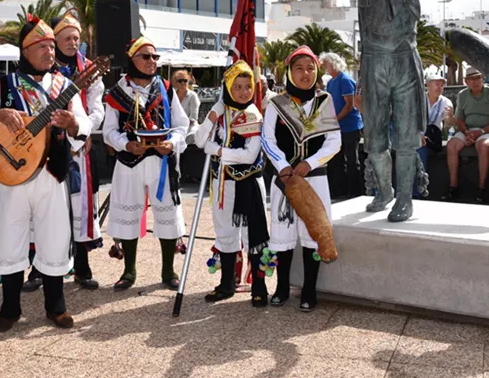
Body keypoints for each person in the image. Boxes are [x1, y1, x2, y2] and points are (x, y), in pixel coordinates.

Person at [357, 0, 482, 221]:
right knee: (376, 139)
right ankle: (383, 190)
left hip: (406, 63)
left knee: (408, 137)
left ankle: (404, 199)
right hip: (376, 63)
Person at [0, 17, 91, 332]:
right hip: (10, 173)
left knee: (54, 237)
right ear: (25, 50)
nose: (49, 51)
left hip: (52, 173)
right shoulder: (1, 85)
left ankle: (56, 305)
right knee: (10, 238)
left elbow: (85, 124)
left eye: (52, 46)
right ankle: (10, 307)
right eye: (41, 46)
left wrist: (73, 124)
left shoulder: (64, 86)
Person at [102, 36, 188, 291]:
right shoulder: (117, 92)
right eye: (146, 56)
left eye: (155, 57)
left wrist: (171, 143)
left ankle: (168, 270)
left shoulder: (165, 88)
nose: (152, 61)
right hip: (130, 163)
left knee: (168, 213)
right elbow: (108, 132)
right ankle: (129, 271)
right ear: (132, 59)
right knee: (128, 213)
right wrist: (126, 144)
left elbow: (182, 125)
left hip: (162, 163)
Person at [261, 46, 341, 312]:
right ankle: (282, 287)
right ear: (289, 72)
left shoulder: (324, 101)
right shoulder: (277, 103)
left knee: (313, 232)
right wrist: (283, 168)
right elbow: (267, 139)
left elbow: (334, 141)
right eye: (299, 68)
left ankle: (309, 290)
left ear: (316, 71)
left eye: (310, 68)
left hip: (315, 178)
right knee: (283, 233)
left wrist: (309, 163)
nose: (305, 73)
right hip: (285, 180)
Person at [194, 60, 269, 306]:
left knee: (252, 236)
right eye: (237, 86)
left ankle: (259, 286)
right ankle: (227, 284)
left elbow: (249, 155)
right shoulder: (221, 112)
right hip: (224, 184)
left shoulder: (253, 114)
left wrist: (216, 150)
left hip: (248, 185)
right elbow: (198, 140)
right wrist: (213, 113)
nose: (244, 91)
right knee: (225, 233)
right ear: (227, 87)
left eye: (247, 86)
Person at [51, 13, 105, 290]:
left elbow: (97, 108)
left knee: (80, 206)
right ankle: (41, 269)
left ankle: (82, 267)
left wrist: (83, 131)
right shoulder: (44, 66)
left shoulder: (90, 69)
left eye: (76, 38)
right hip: (46, 143)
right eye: (67, 38)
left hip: (79, 144)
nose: (73, 43)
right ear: (55, 40)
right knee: (47, 205)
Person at [444, 69, 489, 203]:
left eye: (478, 78)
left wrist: (480, 132)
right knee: (451, 145)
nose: (475, 81)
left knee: (483, 146)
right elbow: (459, 118)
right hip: (467, 130)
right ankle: (453, 186)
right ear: (466, 81)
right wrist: (466, 132)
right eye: (471, 79)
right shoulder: (462, 94)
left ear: (483, 79)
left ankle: (482, 189)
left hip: (487, 130)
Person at [321, 53, 364, 199]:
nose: (324, 66)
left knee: (352, 160)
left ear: (334, 64)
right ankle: (339, 190)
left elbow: (350, 105)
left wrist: (335, 119)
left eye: (326, 63)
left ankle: (355, 192)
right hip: (337, 127)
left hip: (350, 126)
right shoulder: (331, 82)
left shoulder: (345, 80)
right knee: (336, 160)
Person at [418, 70, 453, 190]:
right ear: (428, 85)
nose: (440, 87)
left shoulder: (446, 102)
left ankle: (419, 191)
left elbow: (448, 124)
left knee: (421, 152)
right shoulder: (419, 100)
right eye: (437, 84)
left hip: (432, 139)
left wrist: (450, 117)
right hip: (416, 136)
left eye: (442, 84)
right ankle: (413, 192)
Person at [173, 69, 201, 142]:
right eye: (180, 81)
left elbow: (193, 117)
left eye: (185, 80)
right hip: (174, 127)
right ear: (175, 82)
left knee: (191, 136)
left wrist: (180, 127)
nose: (183, 83)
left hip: (189, 127)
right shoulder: (172, 95)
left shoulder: (193, 96)